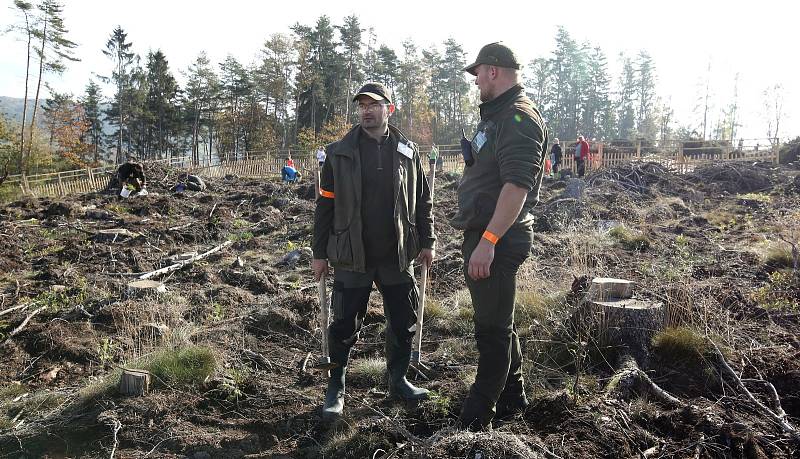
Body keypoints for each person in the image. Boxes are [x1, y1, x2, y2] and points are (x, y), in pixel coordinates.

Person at [312, 82, 435, 420]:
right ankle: (335, 386)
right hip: (352, 254)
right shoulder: (338, 153)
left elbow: (423, 199)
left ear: (388, 109)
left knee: (403, 321)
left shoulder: (407, 151)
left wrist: (428, 242)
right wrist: (318, 252)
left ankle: (398, 380)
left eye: (373, 104)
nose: (366, 110)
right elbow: (324, 206)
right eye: (361, 105)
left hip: (397, 254)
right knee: (342, 325)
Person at [453, 42, 548, 430]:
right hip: (487, 233)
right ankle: (513, 397)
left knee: (491, 332)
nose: (475, 81)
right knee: (499, 322)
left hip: (498, 238)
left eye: (478, 74)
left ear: (493, 70)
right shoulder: (497, 116)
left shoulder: (518, 118)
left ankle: (477, 418)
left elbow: (516, 187)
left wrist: (488, 242)